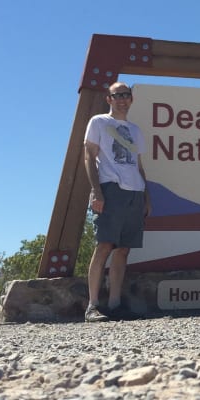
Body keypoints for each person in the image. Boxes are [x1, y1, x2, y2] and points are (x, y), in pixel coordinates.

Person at [83, 82, 150, 321]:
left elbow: (138, 165)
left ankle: (115, 304)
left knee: (123, 249)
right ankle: (92, 305)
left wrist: (146, 195)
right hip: (111, 188)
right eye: (117, 95)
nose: (122, 99)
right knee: (104, 245)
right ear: (109, 99)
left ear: (131, 99)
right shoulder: (99, 122)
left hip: (135, 192)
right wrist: (97, 191)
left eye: (126, 95)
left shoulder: (135, 130)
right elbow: (89, 155)